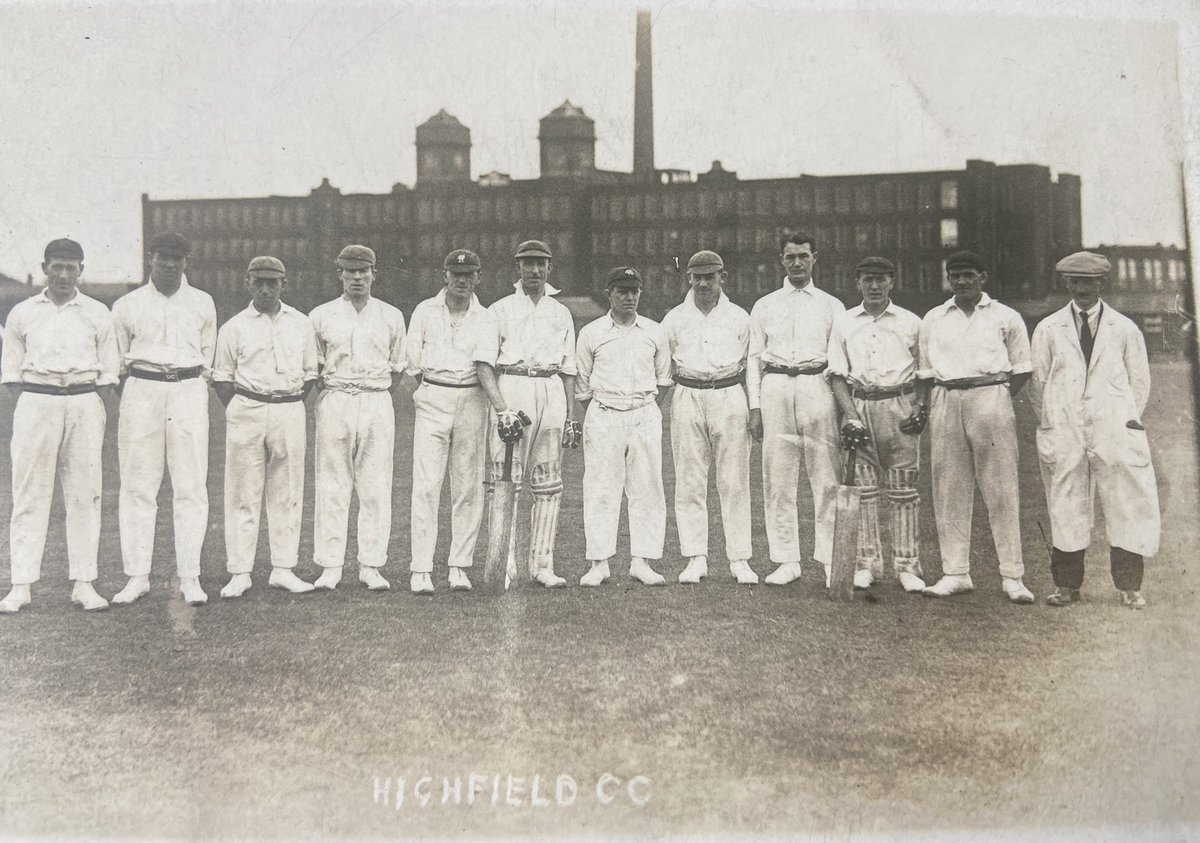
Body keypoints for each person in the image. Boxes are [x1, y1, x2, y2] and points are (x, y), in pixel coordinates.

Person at [1030, 251, 1159, 609]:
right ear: (1066, 283)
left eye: (1089, 281)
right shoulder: (1048, 328)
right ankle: (1067, 586)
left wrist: (1126, 421)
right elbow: (1038, 385)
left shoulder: (1125, 328)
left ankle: (1130, 586)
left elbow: (1140, 382)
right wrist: (1051, 423)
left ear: (1101, 283)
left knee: (1125, 503)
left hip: (1114, 428)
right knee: (1067, 503)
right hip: (1065, 427)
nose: (1082, 288)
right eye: (1075, 281)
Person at [0, 238, 118, 613]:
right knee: (29, 494)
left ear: (81, 270)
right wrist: (39, 403)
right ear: (45, 268)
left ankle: (84, 583)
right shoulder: (21, 313)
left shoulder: (99, 313)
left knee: (85, 494)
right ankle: (21, 585)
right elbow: (12, 376)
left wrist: (82, 401)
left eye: (71, 267)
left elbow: (108, 374)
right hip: (37, 401)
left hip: (83, 402)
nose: (64, 275)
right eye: (57, 267)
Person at [917, 250, 1035, 604]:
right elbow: (924, 371)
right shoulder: (934, 318)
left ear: (983, 277)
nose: (962, 281)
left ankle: (1013, 577)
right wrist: (933, 403)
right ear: (948, 279)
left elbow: (1022, 368)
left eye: (969, 274)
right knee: (949, 487)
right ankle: (955, 573)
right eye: (955, 275)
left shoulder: (1006, 316)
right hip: (946, 398)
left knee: (1001, 489)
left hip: (991, 397)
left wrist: (993, 396)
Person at [109, 232, 215, 607]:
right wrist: (144, 391)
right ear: (150, 258)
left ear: (187, 261)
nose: (169, 264)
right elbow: (119, 363)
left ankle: (190, 576)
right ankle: (137, 577)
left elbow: (207, 358)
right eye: (162, 257)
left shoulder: (203, 303)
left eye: (177, 258)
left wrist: (182, 387)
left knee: (190, 485)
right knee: (138, 484)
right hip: (142, 390)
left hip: (187, 390)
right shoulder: (126, 305)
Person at [474, 239, 580, 588]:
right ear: (517, 268)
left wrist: (569, 417)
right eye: (527, 263)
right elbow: (484, 366)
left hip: (550, 390)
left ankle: (542, 566)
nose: (534, 270)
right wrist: (501, 408)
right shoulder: (499, 310)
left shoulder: (560, 312)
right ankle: (503, 563)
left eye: (541, 264)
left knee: (548, 483)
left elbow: (568, 369)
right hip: (513, 388)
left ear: (550, 268)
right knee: (507, 480)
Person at [211, 256, 318, 598]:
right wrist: (248, 406)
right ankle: (240, 572)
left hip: (289, 408)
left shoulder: (301, 324)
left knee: (287, 492)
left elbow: (310, 375)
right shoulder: (233, 327)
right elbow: (222, 379)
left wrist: (285, 404)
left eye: (273, 283)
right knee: (243, 492)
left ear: (284, 284)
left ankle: (283, 569)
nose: (266, 289)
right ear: (248, 283)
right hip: (247, 408)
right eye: (259, 282)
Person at [747, 233, 845, 587]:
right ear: (782, 260)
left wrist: (839, 406)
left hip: (816, 386)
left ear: (815, 258)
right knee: (777, 479)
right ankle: (786, 560)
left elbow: (838, 358)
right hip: (774, 387)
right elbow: (753, 358)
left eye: (803, 256)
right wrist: (755, 408)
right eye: (790, 258)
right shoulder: (766, 305)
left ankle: (832, 560)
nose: (797, 263)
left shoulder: (831, 305)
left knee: (826, 477)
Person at [827, 257, 928, 593]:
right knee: (864, 491)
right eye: (868, 280)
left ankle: (907, 566)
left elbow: (924, 373)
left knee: (904, 490)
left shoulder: (911, 322)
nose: (874, 286)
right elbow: (838, 376)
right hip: (860, 404)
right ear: (858, 282)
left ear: (891, 281)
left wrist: (919, 406)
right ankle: (867, 564)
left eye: (880, 279)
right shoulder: (844, 322)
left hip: (898, 405)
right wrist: (850, 415)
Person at [309, 245, 406, 592]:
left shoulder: (391, 316)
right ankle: (331, 566)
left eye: (363, 271)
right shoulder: (320, 315)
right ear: (340, 275)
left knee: (375, 486)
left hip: (376, 400)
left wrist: (372, 393)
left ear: (373, 274)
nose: (357, 278)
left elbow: (397, 370)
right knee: (333, 484)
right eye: (350, 272)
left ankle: (371, 565)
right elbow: (315, 366)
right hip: (336, 399)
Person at [661, 250, 756, 585]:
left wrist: (754, 407)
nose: (703, 283)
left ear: (722, 278)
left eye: (709, 277)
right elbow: (663, 365)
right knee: (689, 479)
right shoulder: (673, 319)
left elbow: (752, 365)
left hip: (730, 395)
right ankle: (695, 557)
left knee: (733, 480)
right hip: (686, 394)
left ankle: (739, 559)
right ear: (688, 278)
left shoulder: (741, 318)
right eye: (697, 277)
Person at [576, 267, 673, 586]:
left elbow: (663, 380)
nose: (629, 297)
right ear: (609, 295)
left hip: (644, 413)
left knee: (647, 489)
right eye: (622, 291)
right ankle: (598, 563)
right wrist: (604, 411)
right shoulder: (591, 332)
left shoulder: (654, 331)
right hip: (603, 413)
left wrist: (642, 410)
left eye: (634, 291)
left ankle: (642, 562)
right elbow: (582, 384)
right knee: (600, 488)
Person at [405, 249, 490, 593]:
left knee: (467, 486)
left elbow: (486, 365)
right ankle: (421, 569)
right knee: (426, 485)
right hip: (433, 397)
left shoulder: (487, 317)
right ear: (445, 276)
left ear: (477, 278)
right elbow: (412, 364)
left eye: (468, 275)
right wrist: (431, 391)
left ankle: (459, 567)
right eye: (456, 274)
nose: (461, 281)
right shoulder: (424, 311)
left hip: (472, 398)